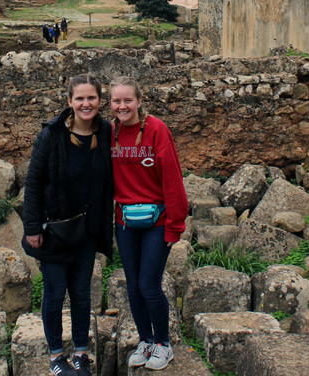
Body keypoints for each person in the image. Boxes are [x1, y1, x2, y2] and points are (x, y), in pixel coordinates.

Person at [22, 74, 113, 376]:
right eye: (80, 98)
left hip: (87, 231)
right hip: (55, 230)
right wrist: (32, 227)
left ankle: (81, 354)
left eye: (92, 98)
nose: (86, 104)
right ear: (70, 102)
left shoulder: (106, 132)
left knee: (82, 293)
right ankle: (56, 356)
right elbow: (34, 181)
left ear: (100, 101)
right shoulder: (52, 135)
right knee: (55, 292)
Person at [108, 76, 188, 371]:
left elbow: (172, 178)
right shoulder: (110, 133)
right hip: (125, 221)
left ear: (139, 101)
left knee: (149, 285)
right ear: (110, 104)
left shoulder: (157, 130)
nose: (122, 106)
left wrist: (175, 225)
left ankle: (163, 344)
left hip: (158, 221)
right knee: (133, 287)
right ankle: (146, 340)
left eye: (128, 100)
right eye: (116, 101)